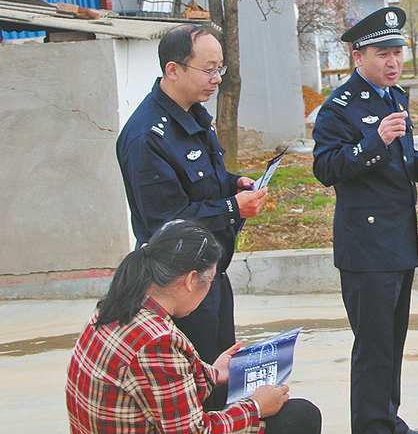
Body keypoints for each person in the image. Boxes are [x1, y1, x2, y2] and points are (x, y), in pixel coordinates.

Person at [312, 6, 418, 434]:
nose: (393, 62)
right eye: (382, 54)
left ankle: (388, 422)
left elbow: (401, 160)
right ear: (358, 56)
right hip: (367, 245)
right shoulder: (339, 107)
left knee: (392, 342)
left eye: (397, 53)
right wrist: (375, 140)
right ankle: (372, 427)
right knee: (373, 346)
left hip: (398, 239)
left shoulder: (396, 96)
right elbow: (326, 168)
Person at [116, 24, 268, 408]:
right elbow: (167, 223)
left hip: (208, 275)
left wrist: (236, 184)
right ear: (173, 70)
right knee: (194, 392)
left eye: (220, 69)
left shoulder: (195, 114)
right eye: (208, 69)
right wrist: (234, 209)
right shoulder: (146, 136)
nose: (216, 79)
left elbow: (207, 181)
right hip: (176, 289)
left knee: (223, 378)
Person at [66, 220, 320, 434]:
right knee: (299, 416)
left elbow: (158, 389)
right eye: (210, 280)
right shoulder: (157, 341)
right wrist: (255, 406)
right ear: (190, 280)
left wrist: (213, 373)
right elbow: (194, 431)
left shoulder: (115, 308)